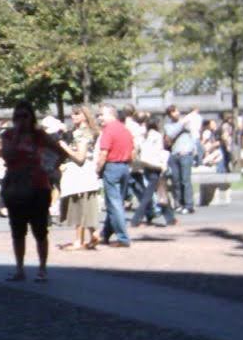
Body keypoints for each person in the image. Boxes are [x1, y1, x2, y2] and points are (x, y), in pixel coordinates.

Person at [0, 101, 63, 282]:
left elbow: (59, 151)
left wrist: (50, 167)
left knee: (40, 230)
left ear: (32, 117)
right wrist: (18, 137)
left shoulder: (39, 135)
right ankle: (20, 268)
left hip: (38, 186)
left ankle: (42, 268)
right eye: (17, 116)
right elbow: (7, 155)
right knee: (17, 231)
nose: (21, 120)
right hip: (16, 186)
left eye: (25, 116)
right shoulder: (9, 135)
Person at [58, 105, 101, 251]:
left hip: (80, 175)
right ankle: (94, 233)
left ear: (84, 116)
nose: (73, 116)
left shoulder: (82, 133)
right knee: (85, 207)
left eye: (77, 114)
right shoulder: (88, 132)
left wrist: (64, 147)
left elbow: (80, 158)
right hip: (86, 175)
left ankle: (79, 241)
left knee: (79, 207)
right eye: (72, 114)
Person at [97, 104, 135, 247]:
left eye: (101, 114)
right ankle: (105, 234)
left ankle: (123, 238)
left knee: (114, 204)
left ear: (111, 114)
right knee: (115, 203)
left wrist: (98, 168)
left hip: (112, 167)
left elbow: (103, 153)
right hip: (125, 167)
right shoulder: (125, 129)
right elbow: (133, 151)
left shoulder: (108, 130)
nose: (99, 118)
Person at [131, 115, 177, 228]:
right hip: (156, 166)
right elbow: (159, 152)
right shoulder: (157, 136)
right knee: (150, 193)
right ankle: (136, 219)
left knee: (159, 190)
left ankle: (170, 217)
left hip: (145, 165)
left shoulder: (143, 136)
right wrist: (163, 165)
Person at [164, 105, 197, 214]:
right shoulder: (168, 126)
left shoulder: (186, 123)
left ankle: (189, 205)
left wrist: (192, 149)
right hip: (174, 154)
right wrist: (181, 124)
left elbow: (193, 133)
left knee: (185, 180)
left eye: (176, 111)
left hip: (185, 154)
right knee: (176, 181)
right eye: (173, 112)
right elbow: (171, 134)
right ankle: (178, 203)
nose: (176, 113)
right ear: (169, 115)